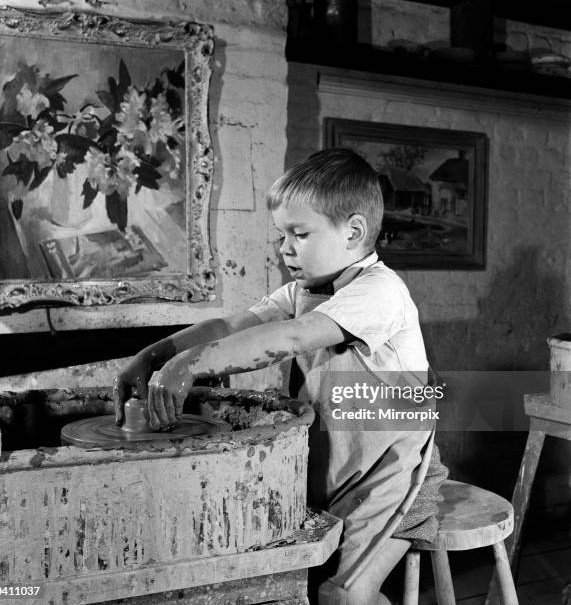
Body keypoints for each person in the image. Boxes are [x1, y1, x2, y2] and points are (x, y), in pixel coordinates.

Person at [114, 148, 447, 605]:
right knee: (289, 579)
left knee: (342, 596)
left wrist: (190, 367)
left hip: (394, 477)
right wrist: (157, 353)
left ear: (353, 232)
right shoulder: (302, 291)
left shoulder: (380, 292)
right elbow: (232, 326)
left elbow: (293, 337)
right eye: (282, 235)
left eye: (300, 234)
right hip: (336, 470)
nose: (285, 248)